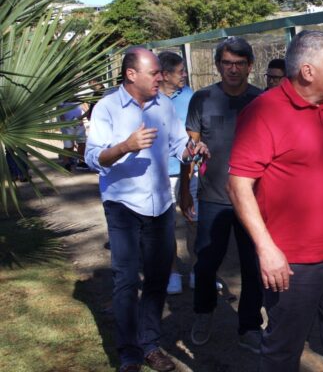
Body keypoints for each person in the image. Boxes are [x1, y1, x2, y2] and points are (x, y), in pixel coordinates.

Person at [227, 30, 323, 372]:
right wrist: (266, 249)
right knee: (282, 352)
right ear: (308, 71)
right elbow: (238, 185)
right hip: (294, 263)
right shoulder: (263, 112)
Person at [85, 48, 209, 372]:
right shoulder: (107, 108)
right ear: (131, 74)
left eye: (159, 72)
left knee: (155, 280)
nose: (160, 77)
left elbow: (177, 145)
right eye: (153, 73)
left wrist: (192, 149)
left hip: (160, 204)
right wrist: (125, 146)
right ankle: (129, 354)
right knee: (126, 281)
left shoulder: (164, 105)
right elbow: (92, 157)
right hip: (123, 205)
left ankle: (150, 345)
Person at [184, 37, 265, 352]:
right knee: (205, 263)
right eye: (227, 63)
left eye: (239, 63)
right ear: (218, 66)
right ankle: (203, 312)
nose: (233, 69)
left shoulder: (261, 101)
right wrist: (185, 187)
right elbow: (189, 145)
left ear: (249, 66)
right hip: (213, 197)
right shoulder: (202, 99)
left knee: (252, 266)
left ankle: (249, 326)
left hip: (253, 201)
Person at [157, 51, 198, 295]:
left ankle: (196, 270)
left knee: (194, 220)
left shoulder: (190, 96)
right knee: (166, 225)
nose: (184, 75)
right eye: (180, 71)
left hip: (190, 171)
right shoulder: (149, 98)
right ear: (164, 75)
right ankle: (172, 271)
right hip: (161, 173)